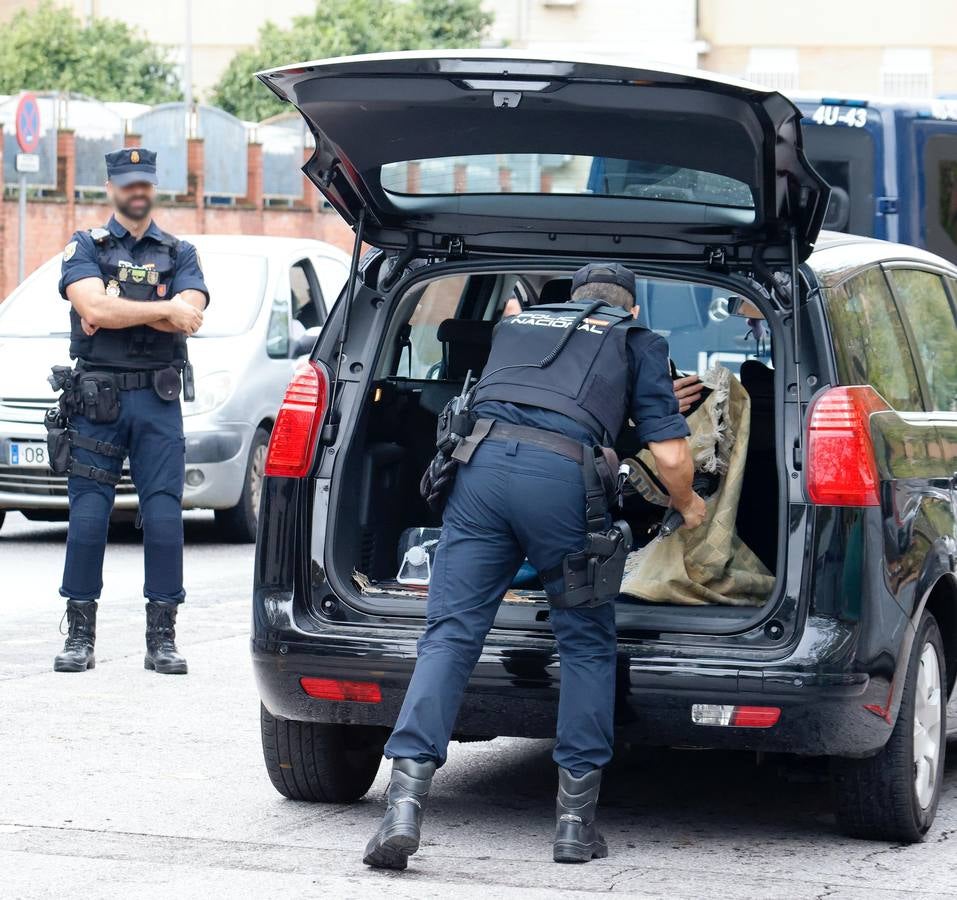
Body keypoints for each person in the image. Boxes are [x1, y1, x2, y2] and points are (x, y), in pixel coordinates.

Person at [363, 263, 705, 870]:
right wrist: (689, 503)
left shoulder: (513, 328)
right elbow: (672, 455)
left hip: (479, 472)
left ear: (571, 300)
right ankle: (574, 829)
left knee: (449, 636)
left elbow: (547, 399)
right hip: (562, 488)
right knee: (584, 644)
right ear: (630, 308)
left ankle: (403, 810)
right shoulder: (638, 342)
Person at [52, 147, 209, 675]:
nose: (136, 191)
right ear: (112, 187)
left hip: (158, 402)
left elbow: (193, 317)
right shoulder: (85, 246)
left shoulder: (180, 252)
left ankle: (162, 638)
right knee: (89, 517)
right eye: (128, 183)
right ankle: (79, 636)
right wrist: (164, 305)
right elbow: (92, 307)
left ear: (153, 187)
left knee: (164, 517)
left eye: (145, 182)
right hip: (98, 399)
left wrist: (125, 308)